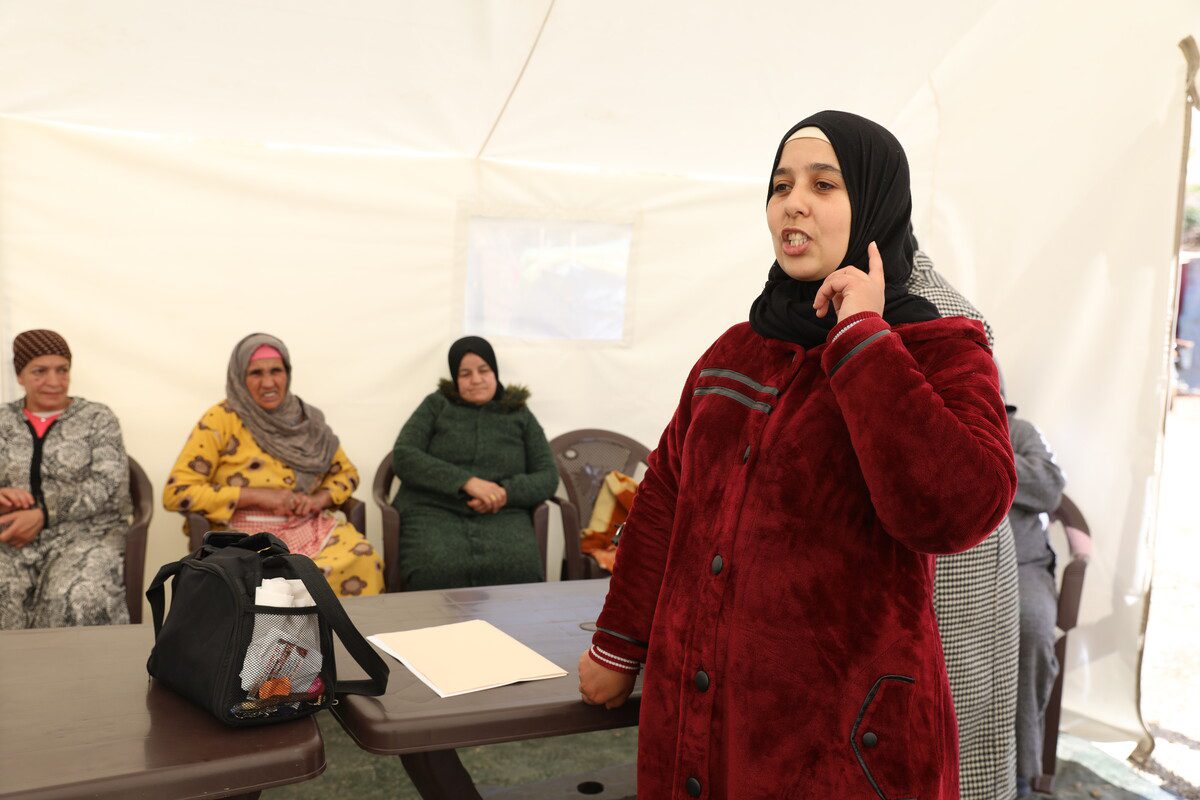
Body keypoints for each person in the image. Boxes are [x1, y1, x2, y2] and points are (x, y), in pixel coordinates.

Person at [576, 111, 1017, 799]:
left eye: (824, 183)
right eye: (781, 185)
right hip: (700, 720)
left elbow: (958, 510)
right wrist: (619, 641)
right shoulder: (734, 351)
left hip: (841, 739)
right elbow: (665, 498)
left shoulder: (940, 348)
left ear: (875, 202)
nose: (794, 202)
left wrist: (865, 335)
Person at [907, 243, 1021, 800]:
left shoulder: (934, 311)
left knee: (954, 731)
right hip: (941, 550)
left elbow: (958, 471)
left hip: (956, 560)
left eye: (829, 188)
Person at [164, 333, 382, 597]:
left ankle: (346, 638)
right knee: (270, 582)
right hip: (244, 536)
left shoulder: (306, 420)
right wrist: (258, 496)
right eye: (256, 373)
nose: (268, 382)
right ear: (239, 377)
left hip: (308, 525)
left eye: (276, 371)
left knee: (365, 558)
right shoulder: (220, 419)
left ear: (287, 373)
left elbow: (346, 473)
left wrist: (318, 500)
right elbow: (177, 492)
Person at [390, 336, 558, 590]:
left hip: (503, 514)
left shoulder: (519, 413)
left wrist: (501, 492)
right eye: (465, 373)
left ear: (495, 372)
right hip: (433, 510)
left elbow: (547, 475)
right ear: (456, 379)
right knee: (432, 569)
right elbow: (404, 454)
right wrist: (467, 482)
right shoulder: (436, 405)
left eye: (484, 370)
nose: (476, 380)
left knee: (521, 570)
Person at [0, 329, 132, 629]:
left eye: (62, 370)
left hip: (87, 534)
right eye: (40, 371)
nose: (54, 381)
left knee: (74, 595)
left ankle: (78, 677)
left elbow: (108, 484)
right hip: (13, 536)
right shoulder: (3, 420)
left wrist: (44, 514)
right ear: (20, 375)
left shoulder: (98, 418)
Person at [1001, 379, 1066, 798]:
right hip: (949, 566)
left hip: (1023, 567)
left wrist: (985, 454)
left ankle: (1023, 772)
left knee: (1029, 627)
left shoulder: (1020, 432)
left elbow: (1049, 486)